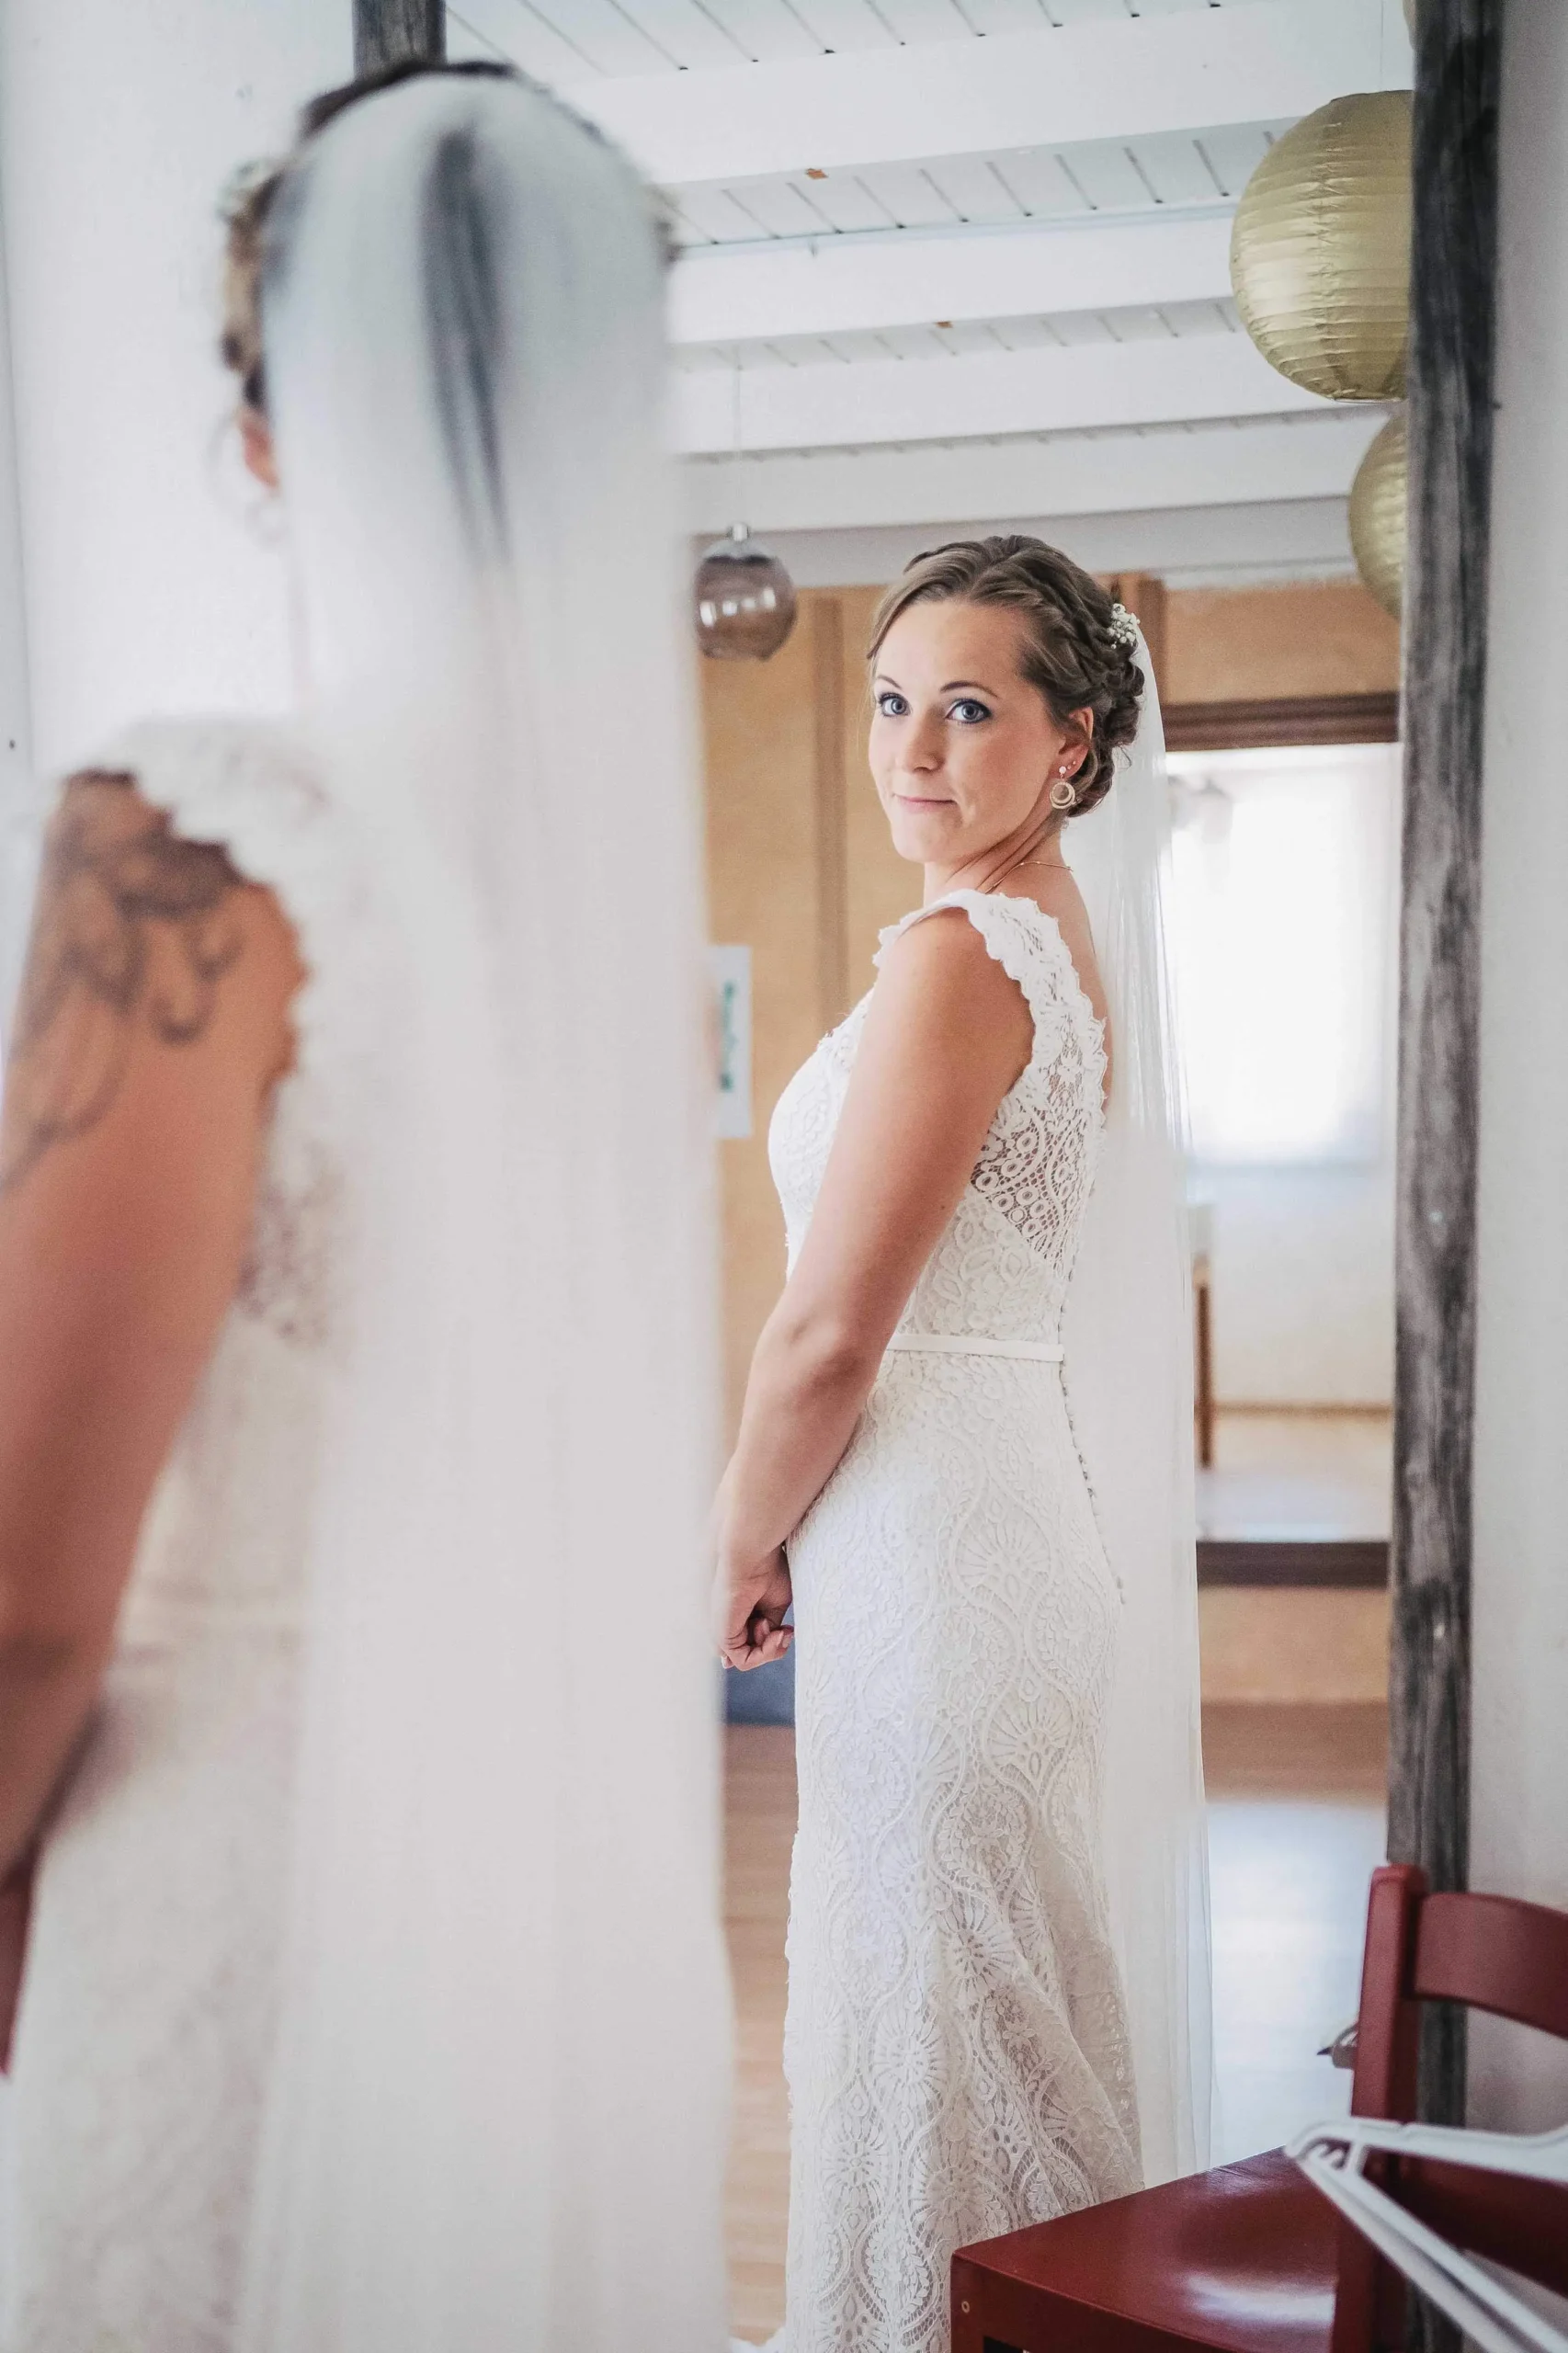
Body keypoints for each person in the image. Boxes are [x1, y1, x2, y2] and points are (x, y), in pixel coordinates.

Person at [0, 63, 728, 2353]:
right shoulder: (609, 933)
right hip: (544, 1922)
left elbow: (28, 1586)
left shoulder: (195, 840)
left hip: (240, 1898)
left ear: (269, 431)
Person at [713, 537, 1210, 2353]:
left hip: (935, 1555)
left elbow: (830, 1329)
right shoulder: (1050, 932)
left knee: (940, 2011)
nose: (913, 747)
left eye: (972, 708)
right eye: (891, 700)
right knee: (991, 2014)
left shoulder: (958, 956)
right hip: (987, 1532)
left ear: (1073, 742)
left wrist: (735, 1535)